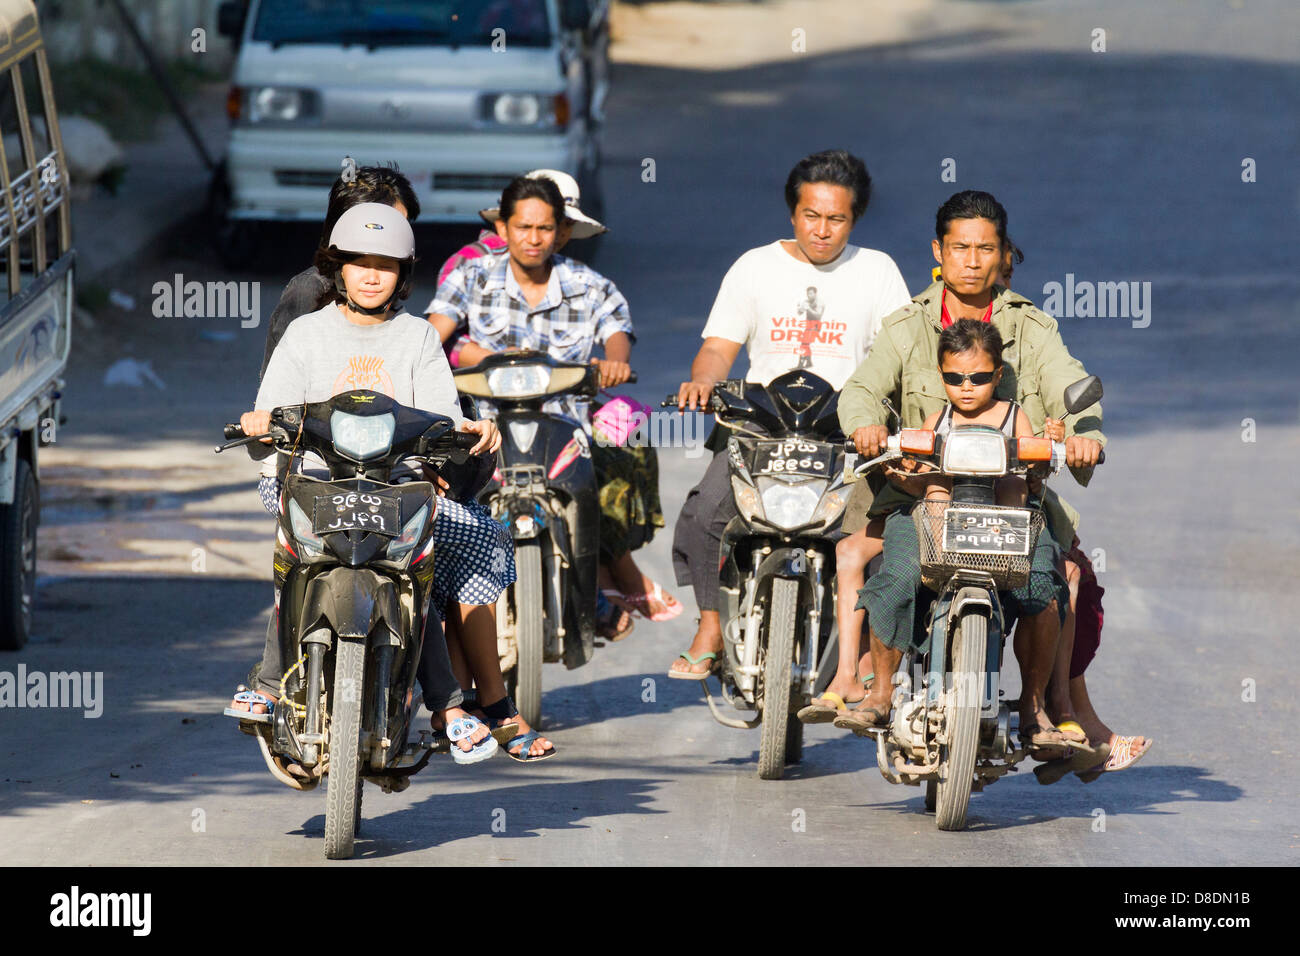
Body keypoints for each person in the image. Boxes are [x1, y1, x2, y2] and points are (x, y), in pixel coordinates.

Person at [231, 203, 509, 765]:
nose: (372, 274)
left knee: (412, 572)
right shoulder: (307, 333)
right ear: (337, 267)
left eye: (386, 264)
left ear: (404, 274)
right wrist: (261, 422)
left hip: (394, 487)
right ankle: (267, 684)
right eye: (359, 262)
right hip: (312, 479)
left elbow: (440, 415)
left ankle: (449, 708)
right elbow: (270, 413)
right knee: (297, 562)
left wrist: (467, 429)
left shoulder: (419, 338)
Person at [836, 189, 1104, 755]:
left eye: (986, 248)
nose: (974, 260)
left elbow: (1067, 381)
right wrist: (863, 426)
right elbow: (862, 388)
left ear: (1003, 252)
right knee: (895, 577)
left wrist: (1084, 436)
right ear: (940, 250)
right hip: (923, 498)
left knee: (1050, 588)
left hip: (1010, 503)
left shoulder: (1032, 326)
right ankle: (879, 690)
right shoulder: (907, 325)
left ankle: (1038, 710)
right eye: (960, 248)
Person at [667, 149, 911, 680]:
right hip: (761, 420)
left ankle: (868, 650)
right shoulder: (754, 267)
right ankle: (710, 625)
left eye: (836, 219)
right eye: (811, 216)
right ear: (792, 212)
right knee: (707, 509)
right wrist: (704, 381)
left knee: (878, 528)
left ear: (855, 218)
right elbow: (717, 348)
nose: (822, 230)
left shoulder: (878, 271)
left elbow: (902, 355)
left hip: (846, 426)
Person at [426, 172, 679, 639]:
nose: (534, 239)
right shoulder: (469, 275)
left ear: (562, 232)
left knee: (631, 436)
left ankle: (600, 581)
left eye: (545, 228)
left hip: (569, 425)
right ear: (502, 229)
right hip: (486, 425)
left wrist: (615, 364)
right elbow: (432, 333)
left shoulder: (591, 284)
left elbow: (617, 335)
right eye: (523, 227)